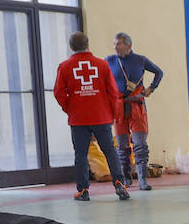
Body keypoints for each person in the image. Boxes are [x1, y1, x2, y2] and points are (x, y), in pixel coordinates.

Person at [53, 31, 130, 202]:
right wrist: (113, 114)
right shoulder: (102, 65)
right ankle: (119, 183)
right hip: (101, 117)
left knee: (80, 154)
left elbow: (59, 93)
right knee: (110, 151)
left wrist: (70, 109)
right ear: (88, 45)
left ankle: (83, 190)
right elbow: (113, 92)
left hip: (78, 119)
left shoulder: (64, 67)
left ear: (71, 47)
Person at [106, 32, 163, 191]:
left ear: (128, 45)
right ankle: (126, 178)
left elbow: (159, 72)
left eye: (119, 43)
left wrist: (151, 88)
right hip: (119, 109)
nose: (115, 46)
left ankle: (143, 180)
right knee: (122, 146)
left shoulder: (140, 60)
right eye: (115, 43)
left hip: (137, 107)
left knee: (140, 144)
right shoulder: (109, 61)